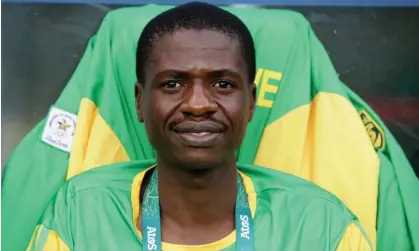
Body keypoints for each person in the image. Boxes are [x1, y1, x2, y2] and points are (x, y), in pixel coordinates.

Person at [27, 2, 372, 250]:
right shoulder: (82, 215)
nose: (197, 104)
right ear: (139, 101)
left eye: (222, 84)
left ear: (250, 102)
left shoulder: (321, 225)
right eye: (172, 84)